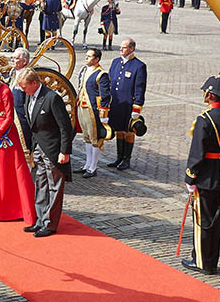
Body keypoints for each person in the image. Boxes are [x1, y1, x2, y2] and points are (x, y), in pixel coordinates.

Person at [180, 76, 220, 275]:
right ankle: (212, 259)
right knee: (215, 219)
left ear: (211, 94)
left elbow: (197, 152)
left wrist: (191, 177)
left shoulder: (205, 119)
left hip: (206, 175)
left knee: (202, 222)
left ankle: (202, 262)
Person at [15, 67, 75, 237]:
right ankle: (40, 220)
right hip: (39, 148)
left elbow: (65, 127)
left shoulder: (52, 98)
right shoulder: (29, 96)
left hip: (53, 150)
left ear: (35, 83)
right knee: (41, 184)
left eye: (25, 86)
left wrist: (64, 151)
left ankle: (50, 224)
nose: (22, 90)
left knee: (54, 187)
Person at [0, 65, 36, 223]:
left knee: (6, 173)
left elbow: (9, 118)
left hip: (6, 137)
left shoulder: (5, 91)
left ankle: (10, 208)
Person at [106, 38, 147, 170]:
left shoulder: (139, 66)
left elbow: (140, 88)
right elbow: (110, 81)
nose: (120, 49)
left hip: (129, 105)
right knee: (119, 130)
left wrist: (137, 107)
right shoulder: (116, 62)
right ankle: (119, 157)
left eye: (123, 47)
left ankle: (126, 159)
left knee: (128, 131)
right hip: (117, 103)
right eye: (121, 47)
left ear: (131, 49)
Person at [75, 48, 112, 178]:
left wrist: (103, 114)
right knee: (86, 137)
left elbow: (105, 95)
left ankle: (93, 167)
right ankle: (87, 164)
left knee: (95, 138)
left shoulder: (101, 74)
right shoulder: (84, 70)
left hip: (93, 110)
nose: (86, 58)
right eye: (86, 56)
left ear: (96, 59)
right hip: (82, 107)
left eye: (89, 56)